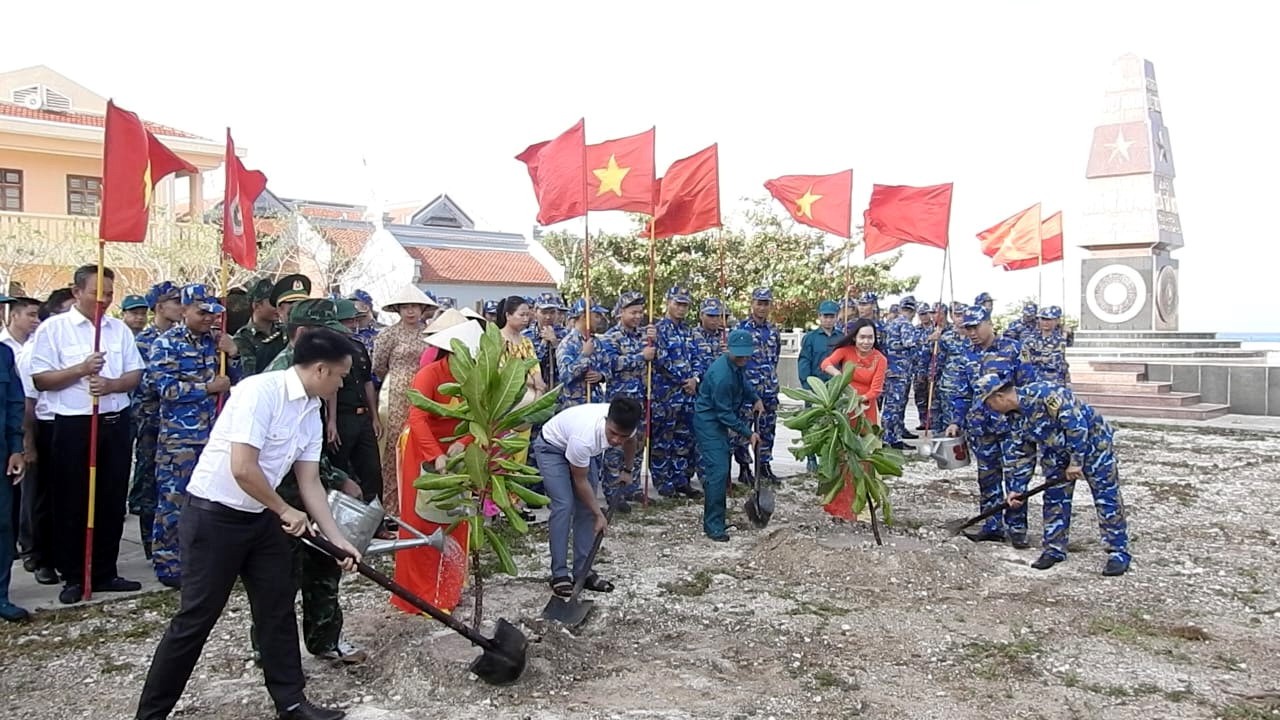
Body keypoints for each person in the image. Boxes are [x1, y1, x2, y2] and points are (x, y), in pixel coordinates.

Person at [134, 328, 360, 720]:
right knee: (196, 618)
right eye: (341, 375)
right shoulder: (260, 392)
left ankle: (291, 703)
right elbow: (243, 469)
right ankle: (151, 714)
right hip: (213, 517)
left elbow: (309, 482)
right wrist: (284, 510)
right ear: (321, 369)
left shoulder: (311, 409)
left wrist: (339, 539)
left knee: (276, 609)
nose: (343, 383)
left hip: (259, 519)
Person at [30, 264, 145, 604]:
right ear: (77, 291)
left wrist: (111, 384)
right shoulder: (55, 329)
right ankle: (74, 575)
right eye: (97, 293)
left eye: (109, 294)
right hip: (74, 423)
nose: (104, 300)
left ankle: (106, 570)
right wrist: (81, 369)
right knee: (72, 500)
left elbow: (134, 373)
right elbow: (41, 379)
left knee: (110, 499)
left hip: (113, 420)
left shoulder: (118, 330)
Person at [980, 375, 1131, 576]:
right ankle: (1054, 548)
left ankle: (1118, 552)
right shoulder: (1014, 417)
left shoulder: (1046, 394)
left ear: (999, 396)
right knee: (1054, 498)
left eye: (988, 402)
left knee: (1106, 497)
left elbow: (1077, 426)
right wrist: (1018, 489)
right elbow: (1023, 455)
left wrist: (1076, 462)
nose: (989, 408)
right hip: (1056, 451)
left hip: (1094, 445)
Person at [399, 320, 483, 613]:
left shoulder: (477, 377)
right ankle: (418, 596)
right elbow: (418, 418)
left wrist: (466, 441)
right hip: (424, 451)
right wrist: (435, 454)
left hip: (459, 452)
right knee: (421, 520)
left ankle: (447, 593)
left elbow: (482, 418)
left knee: (455, 519)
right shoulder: (429, 374)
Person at [533, 397, 641, 597]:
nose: (616, 440)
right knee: (564, 506)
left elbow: (632, 441)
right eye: (613, 433)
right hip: (551, 447)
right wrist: (599, 513)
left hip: (580, 452)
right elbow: (580, 481)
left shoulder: (628, 427)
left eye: (622, 436)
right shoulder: (585, 437)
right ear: (606, 420)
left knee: (586, 510)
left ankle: (583, 570)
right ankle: (560, 574)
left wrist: (627, 469)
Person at [372, 285, 437, 515]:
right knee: (393, 448)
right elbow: (378, 366)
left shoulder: (431, 334)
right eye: (405, 307)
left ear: (422, 309)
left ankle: (416, 505)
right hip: (396, 395)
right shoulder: (388, 335)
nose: (410, 311)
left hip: (425, 393)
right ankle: (391, 508)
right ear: (398, 309)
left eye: (414, 307)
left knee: (420, 445)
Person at [694, 329, 763, 542]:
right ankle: (713, 525)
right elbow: (724, 413)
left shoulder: (736, 365)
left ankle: (717, 516)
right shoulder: (721, 375)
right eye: (739, 354)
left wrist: (755, 398)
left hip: (718, 420)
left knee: (721, 469)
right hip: (709, 422)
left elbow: (744, 384)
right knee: (719, 471)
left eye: (746, 354)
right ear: (729, 350)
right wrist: (748, 432)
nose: (743, 358)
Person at [818, 318, 887, 521]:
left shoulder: (880, 359)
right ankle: (839, 506)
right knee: (841, 457)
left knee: (866, 458)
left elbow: (876, 390)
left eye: (870, 337)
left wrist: (859, 399)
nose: (866, 341)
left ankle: (864, 508)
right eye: (862, 337)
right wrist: (841, 377)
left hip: (866, 412)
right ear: (855, 337)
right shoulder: (846, 352)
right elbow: (825, 363)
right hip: (844, 410)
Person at [0, 327, 28, 621]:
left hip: (2, 454)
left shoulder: (4, 354)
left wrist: (17, 447)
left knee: (3, 526)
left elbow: (13, 404)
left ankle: (1, 595)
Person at [797, 300, 842, 472]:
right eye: (825, 316)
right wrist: (807, 385)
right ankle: (810, 456)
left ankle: (829, 456)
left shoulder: (841, 337)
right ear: (819, 317)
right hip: (815, 387)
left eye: (832, 316)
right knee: (811, 422)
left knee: (833, 422)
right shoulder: (811, 338)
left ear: (837, 317)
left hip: (835, 388)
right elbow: (804, 361)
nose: (828, 320)